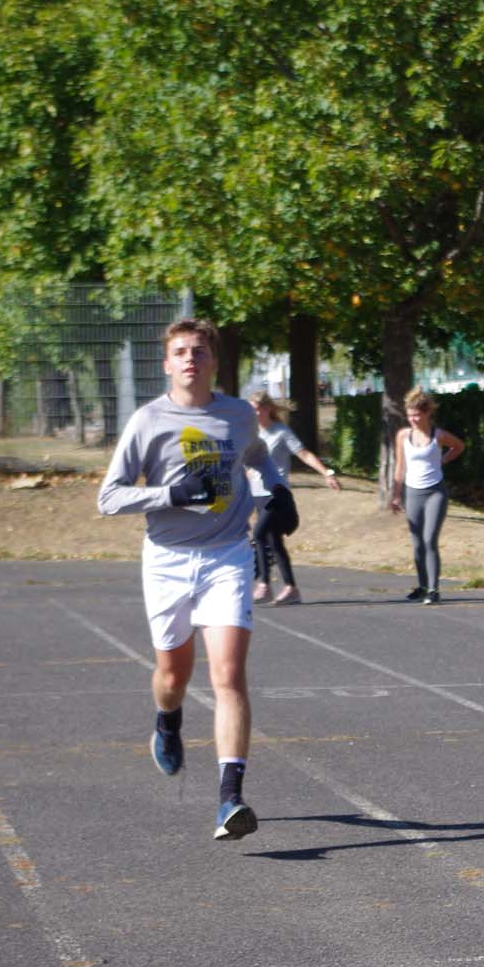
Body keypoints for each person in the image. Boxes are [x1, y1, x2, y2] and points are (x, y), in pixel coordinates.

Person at [97, 318, 297, 842]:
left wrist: (276, 489)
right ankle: (167, 720)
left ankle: (230, 799)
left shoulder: (236, 415)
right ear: (167, 364)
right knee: (173, 676)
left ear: (214, 362)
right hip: (166, 559)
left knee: (228, 675)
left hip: (227, 555)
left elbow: (256, 456)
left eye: (200, 350)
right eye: (181, 351)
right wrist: (169, 495)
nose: (190, 358)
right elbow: (109, 496)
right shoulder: (147, 421)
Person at [248, 390, 342, 606]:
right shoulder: (251, 434)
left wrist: (326, 473)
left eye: (256, 409)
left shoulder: (280, 432)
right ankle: (291, 588)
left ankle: (264, 584)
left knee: (259, 534)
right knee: (274, 541)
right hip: (257, 494)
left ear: (267, 408)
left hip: (277, 493)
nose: (253, 414)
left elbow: (304, 454)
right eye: (250, 410)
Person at [390, 387, 465, 605]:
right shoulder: (403, 436)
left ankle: (434, 589)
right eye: (410, 415)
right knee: (416, 543)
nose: (413, 419)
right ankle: (422, 586)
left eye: (417, 415)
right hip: (412, 492)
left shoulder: (437, 435)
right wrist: (396, 496)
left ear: (427, 413)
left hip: (435, 492)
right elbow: (399, 467)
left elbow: (459, 446)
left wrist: (444, 459)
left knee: (429, 539)